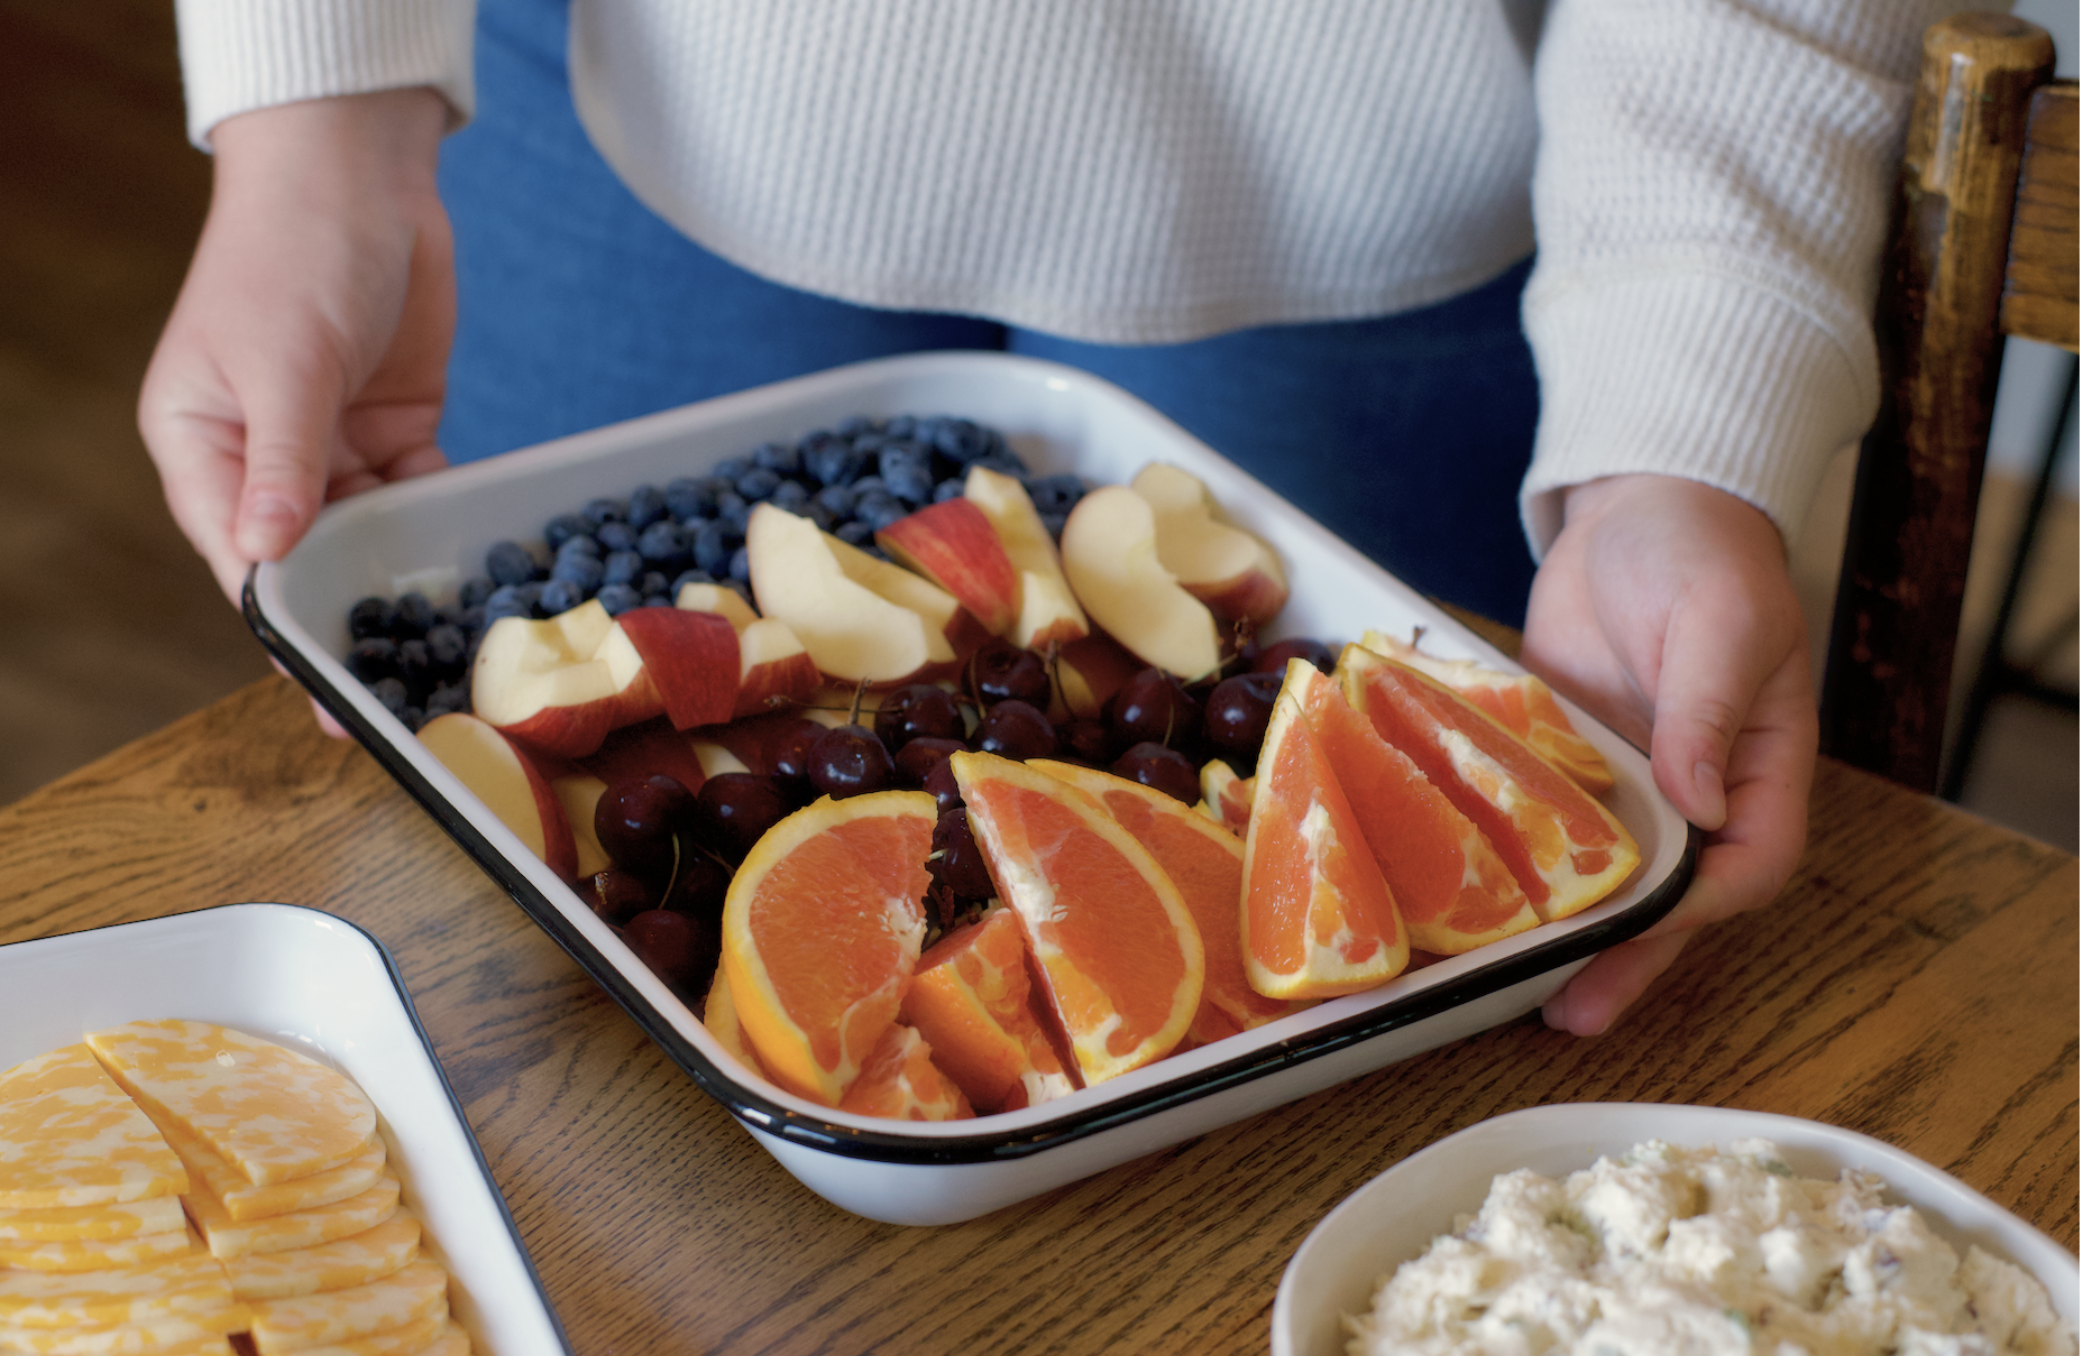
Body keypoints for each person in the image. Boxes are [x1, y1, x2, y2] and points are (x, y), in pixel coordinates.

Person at [140, 0, 1957, 1034]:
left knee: (1305, 998)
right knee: (543, 981)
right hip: (633, 102)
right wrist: (323, 111)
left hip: (1387, 178)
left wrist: (1679, 420)